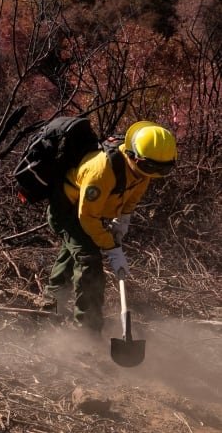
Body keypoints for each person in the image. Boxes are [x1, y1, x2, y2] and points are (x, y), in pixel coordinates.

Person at [44, 120, 177, 333]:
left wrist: (121, 221)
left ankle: (52, 303)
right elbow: (87, 217)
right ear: (132, 155)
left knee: (73, 251)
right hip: (68, 210)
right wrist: (111, 248)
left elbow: (132, 198)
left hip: (87, 210)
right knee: (89, 259)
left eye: (163, 169)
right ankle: (89, 329)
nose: (153, 174)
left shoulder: (145, 170)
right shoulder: (102, 170)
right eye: (149, 167)